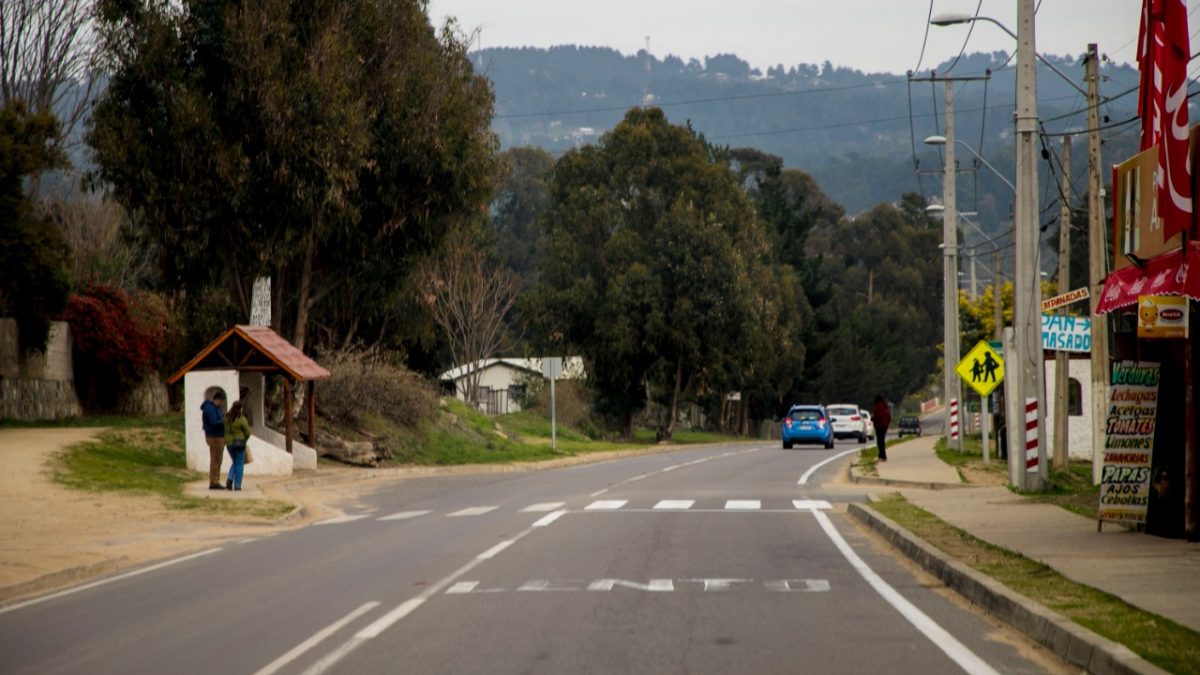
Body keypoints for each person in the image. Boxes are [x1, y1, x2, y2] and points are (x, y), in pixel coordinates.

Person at [224, 400, 252, 491]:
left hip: (229, 444)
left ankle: (230, 478)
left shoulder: (226, 418)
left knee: (235, 462)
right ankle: (237, 485)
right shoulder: (241, 419)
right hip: (239, 443)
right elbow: (248, 432)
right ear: (241, 408)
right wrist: (245, 438)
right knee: (239, 464)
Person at [201, 391, 226, 489]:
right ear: (218, 400)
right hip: (214, 436)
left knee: (218, 459)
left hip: (217, 436)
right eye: (222, 401)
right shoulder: (210, 409)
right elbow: (214, 422)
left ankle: (216, 480)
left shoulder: (214, 408)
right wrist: (223, 421)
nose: (222, 404)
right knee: (215, 459)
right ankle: (214, 481)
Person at [871, 394, 891, 462]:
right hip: (884, 425)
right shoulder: (885, 406)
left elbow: (878, 416)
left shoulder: (879, 407)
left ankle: (882, 456)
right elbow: (889, 417)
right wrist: (887, 424)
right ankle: (881, 455)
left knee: (880, 441)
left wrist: (873, 419)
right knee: (881, 441)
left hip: (880, 426)